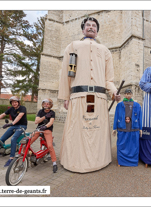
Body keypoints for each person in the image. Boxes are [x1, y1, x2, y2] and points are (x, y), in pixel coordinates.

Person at [58, 17, 121, 173]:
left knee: (96, 128)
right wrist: (66, 96)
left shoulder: (105, 50)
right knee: (78, 131)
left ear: (97, 31)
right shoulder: (73, 46)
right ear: (83, 30)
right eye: (88, 25)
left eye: (94, 26)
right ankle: (75, 162)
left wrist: (114, 92)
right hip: (78, 96)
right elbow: (66, 73)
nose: (91, 27)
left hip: (99, 98)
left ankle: (100, 160)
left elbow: (109, 79)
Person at [0, 96, 27, 167]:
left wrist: (11, 123)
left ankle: (11, 158)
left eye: (15, 102)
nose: (14, 104)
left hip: (22, 126)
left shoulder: (22, 108)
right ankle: (2, 152)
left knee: (13, 139)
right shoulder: (11, 109)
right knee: (1, 139)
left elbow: (19, 116)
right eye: (12, 102)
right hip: (13, 125)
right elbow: (3, 114)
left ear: (18, 102)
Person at [112, 89, 142, 167]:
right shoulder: (119, 105)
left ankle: (133, 161)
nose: (128, 95)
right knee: (122, 144)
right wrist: (114, 128)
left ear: (132, 95)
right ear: (124, 95)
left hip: (134, 128)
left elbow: (140, 117)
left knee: (134, 145)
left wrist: (141, 129)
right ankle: (121, 161)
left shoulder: (137, 105)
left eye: (129, 93)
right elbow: (116, 116)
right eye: (126, 93)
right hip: (122, 128)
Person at [28, 98, 58, 173]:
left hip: (47, 130)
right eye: (45, 103)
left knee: (50, 146)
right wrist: (45, 117)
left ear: (50, 105)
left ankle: (54, 163)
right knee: (27, 141)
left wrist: (45, 126)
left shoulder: (52, 113)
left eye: (48, 103)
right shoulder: (40, 111)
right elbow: (36, 121)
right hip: (38, 129)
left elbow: (51, 122)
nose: (46, 104)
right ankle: (26, 157)